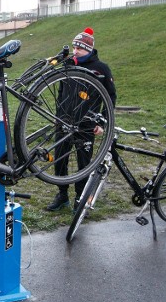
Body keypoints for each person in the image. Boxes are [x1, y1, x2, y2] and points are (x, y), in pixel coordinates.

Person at [46, 27, 117, 212]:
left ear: (89, 49)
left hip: (86, 125)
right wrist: (57, 115)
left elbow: (111, 98)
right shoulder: (69, 64)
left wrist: (101, 122)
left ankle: (80, 197)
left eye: (80, 48)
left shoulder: (101, 69)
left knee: (83, 163)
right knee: (60, 159)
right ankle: (62, 195)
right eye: (74, 47)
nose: (75, 51)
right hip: (63, 121)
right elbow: (60, 91)